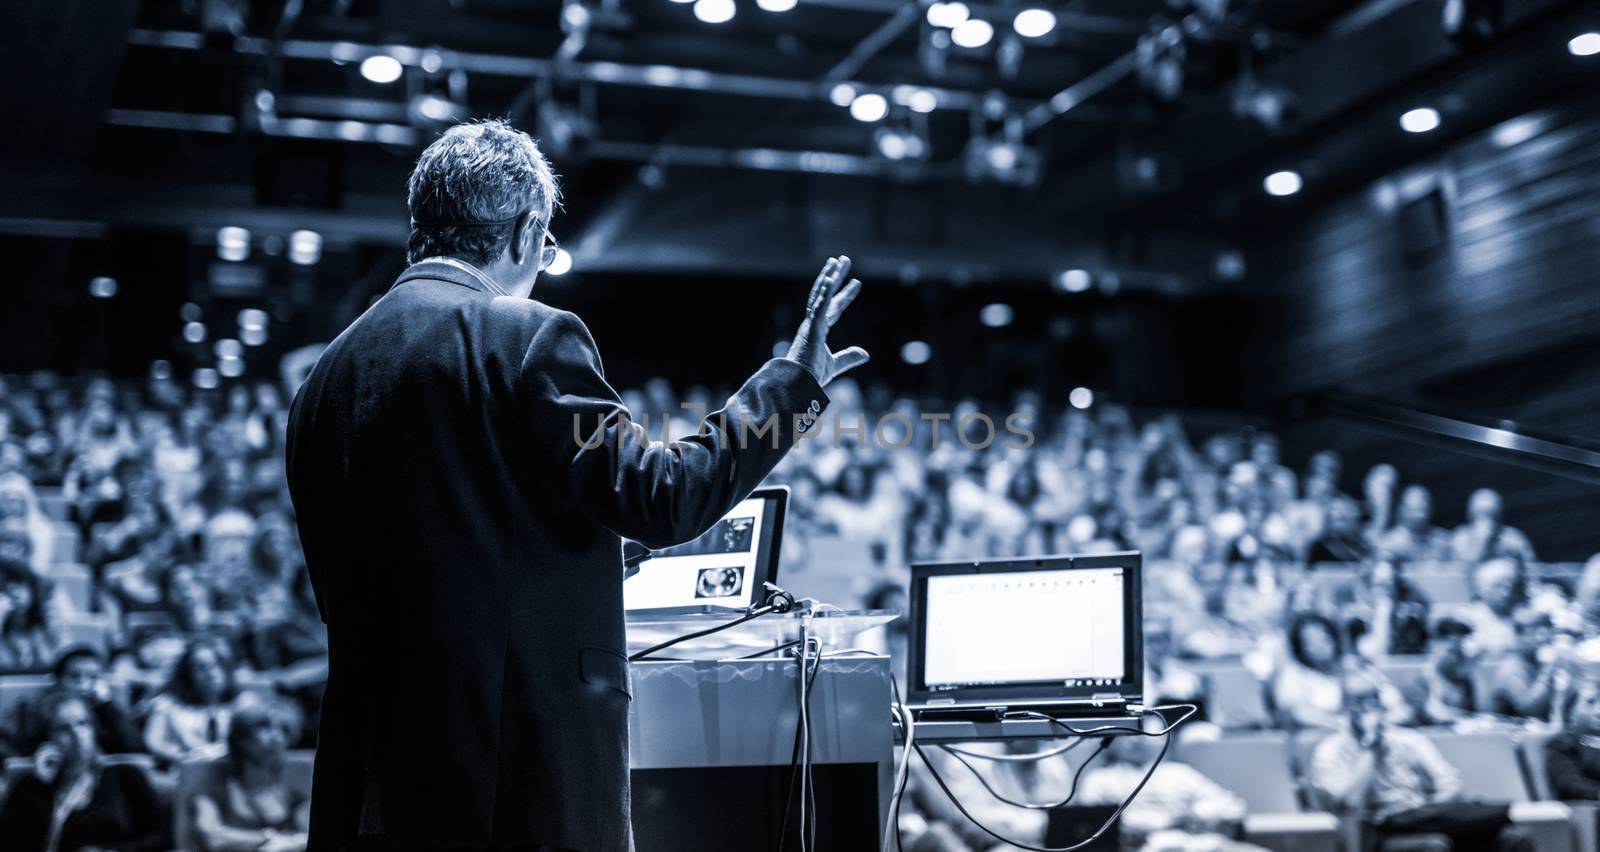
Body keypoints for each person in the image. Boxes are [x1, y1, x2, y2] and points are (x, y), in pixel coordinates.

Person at [285, 119, 868, 851]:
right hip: (513, 772)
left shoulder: (325, 378)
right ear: (528, 232)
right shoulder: (526, 335)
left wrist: (589, 560)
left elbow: (443, 556)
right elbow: (665, 495)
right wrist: (791, 386)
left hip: (370, 780)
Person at [1310, 670, 1532, 852]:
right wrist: (1370, 751)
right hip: (1377, 831)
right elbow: (1350, 803)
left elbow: (1451, 784)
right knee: (1433, 846)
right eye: (1360, 702)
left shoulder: (1408, 740)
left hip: (1425, 818)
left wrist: (1428, 810)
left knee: (1514, 838)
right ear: (1346, 708)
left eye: (1374, 700)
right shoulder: (1330, 751)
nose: (1369, 708)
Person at [0, 692, 171, 851]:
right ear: (47, 738)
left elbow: (162, 836)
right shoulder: (31, 786)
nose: (77, 734)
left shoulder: (126, 775)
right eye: (63, 729)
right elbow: (11, 845)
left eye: (83, 723)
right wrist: (39, 786)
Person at [1078, 722, 1263, 852]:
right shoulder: (1099, 779)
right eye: (1127, 735)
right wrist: (1159, 822)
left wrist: (1194, 814)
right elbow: (1086, 825)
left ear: (1160, 738)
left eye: (1141, 735)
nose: (1134, 741)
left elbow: (1231, 806)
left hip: (1196, 844)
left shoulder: (1178, 773)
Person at [190, 704, 310, 852]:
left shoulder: (293, 796)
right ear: (240, 740)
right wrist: (268, 839)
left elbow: (309, 836)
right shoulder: (213, 790)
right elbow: (213, 838)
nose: (277, 737)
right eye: (265, 728)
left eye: (282, 731)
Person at [5, 645, 143, 758]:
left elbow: (135, 748)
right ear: (58, 680)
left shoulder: (104, 710)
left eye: (93, 677)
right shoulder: (33, 708)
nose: (84, 684)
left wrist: (107, 705)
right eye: (75, 677)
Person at [143, 636, 239, 766]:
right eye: (202, 667)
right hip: (187, 772)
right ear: (188, 674)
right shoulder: (167, 705)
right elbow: (154, 743)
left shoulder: (239, 704)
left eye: (216, 665)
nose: (211, 673)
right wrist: (185, 756)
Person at [1483, 608, 1573, 722]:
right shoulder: (1510, 667)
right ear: (1519, 636)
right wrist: (1550, 668)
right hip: (1506, 737)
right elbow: (1531, 711)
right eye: (1534, 633)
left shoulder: (1536, 664)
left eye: (1545, 632)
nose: (1542, 638)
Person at [1455, 559, 1524, 655]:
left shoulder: (1517, 618)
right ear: (1484, 587)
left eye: (1508, 587)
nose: (1505, 593)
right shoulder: (1467, 616)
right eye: (1498, 586)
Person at [1450, 489, 1536, 565]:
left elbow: (1531, 568)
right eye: (1481, 512)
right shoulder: (1460, 536)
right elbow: (1459, 568)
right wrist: (1481, 539)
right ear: (1470, 513)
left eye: (1490, 512)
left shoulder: (1514, 538)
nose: (1486, 518)